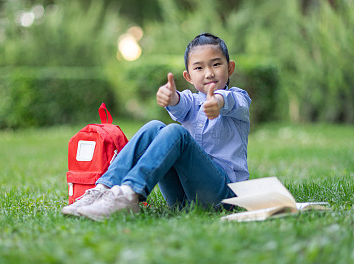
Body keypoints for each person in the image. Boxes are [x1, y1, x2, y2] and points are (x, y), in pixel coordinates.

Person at [61, 32, 251, 221]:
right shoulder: (192, 101)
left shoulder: (239, 97)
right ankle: (103, 189)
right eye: (199, 68)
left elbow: (230, 101)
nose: (209, 73)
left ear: (230, 67)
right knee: (154, 126)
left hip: (223, 195)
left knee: (177, 132)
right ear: (188, 76)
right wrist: (170, 96)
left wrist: (217, 102)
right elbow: (180, 102)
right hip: (182, 198)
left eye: (216, 64)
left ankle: (128, 195)